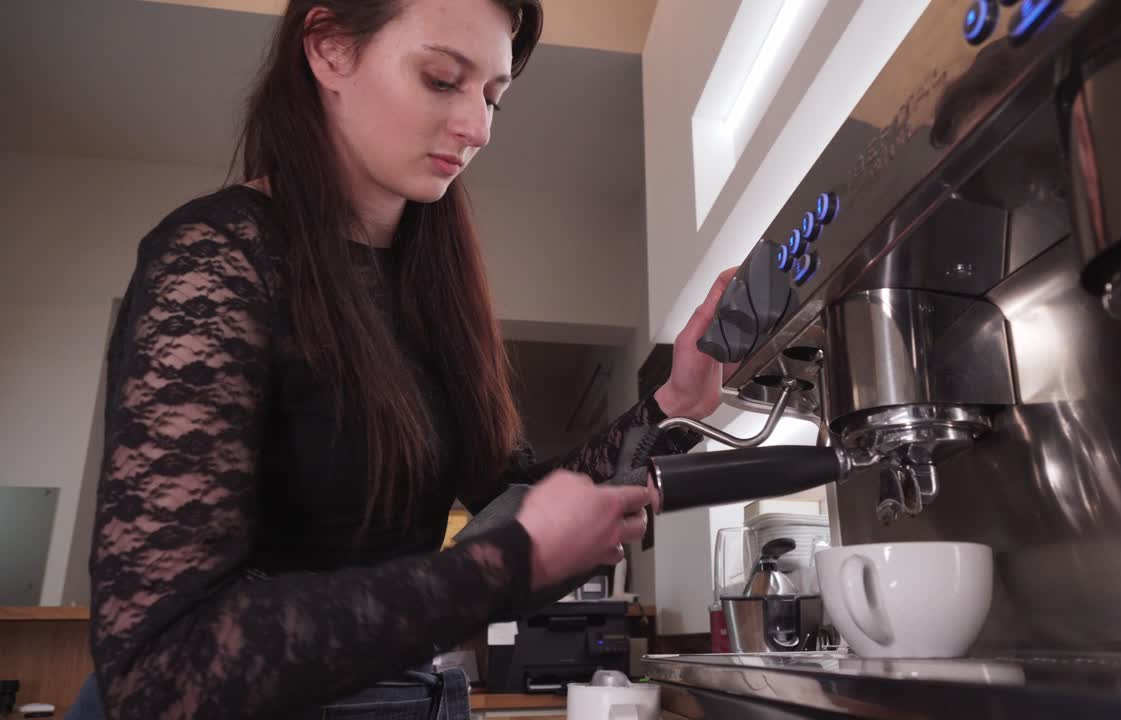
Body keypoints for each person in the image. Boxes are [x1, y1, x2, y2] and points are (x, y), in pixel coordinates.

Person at [72, 0, 732, 717]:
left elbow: (517, 500)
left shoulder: (432, 288)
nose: (477, 128)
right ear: (328, 50)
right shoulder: (217, 257)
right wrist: (504, 567)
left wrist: (673, 404)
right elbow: (161, 666)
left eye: (492, 99)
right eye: (442, 79)